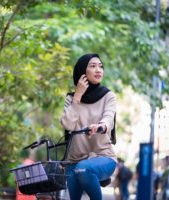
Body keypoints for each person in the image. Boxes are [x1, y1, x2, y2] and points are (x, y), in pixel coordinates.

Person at [60, 53, 117, 200]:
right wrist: (77, 96)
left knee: (83, 168)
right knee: (78, 173)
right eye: (92, 66)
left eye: (101, 66)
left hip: (103, 157)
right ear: (82, 73)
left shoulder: (108, 96)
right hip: (73, 161)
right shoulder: (71, 99)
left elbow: (108, 120)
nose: (98, 70)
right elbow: (67, 124)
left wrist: (100, 126)